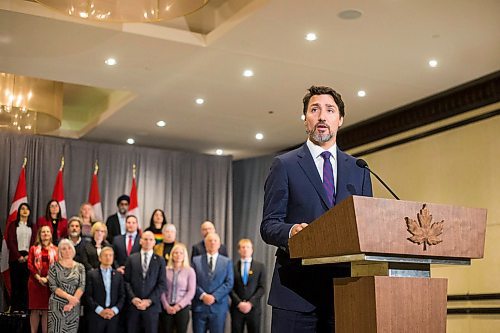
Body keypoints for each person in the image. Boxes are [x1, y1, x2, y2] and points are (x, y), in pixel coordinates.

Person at [260, 85, 373, 332]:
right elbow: (269, 225)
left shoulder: (359, 169)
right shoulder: (284, 165)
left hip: (346, 293)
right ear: (306, 120)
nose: (322, 116)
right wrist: (291, 232)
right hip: (295, 293)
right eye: (315, 109)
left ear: (340, 120)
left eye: (330, 110)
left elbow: (368, 226)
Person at [124, 231, 167, 333]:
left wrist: (149, 301)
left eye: (151, 239)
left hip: (152, 308)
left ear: (154, 242)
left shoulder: (160, 260)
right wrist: (133, 298)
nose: (148, 242)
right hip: (133, 307)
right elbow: (126, 281)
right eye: (145, 239)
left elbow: (162, 284)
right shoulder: (131, 258)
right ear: (140, 241)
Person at [191, 232, 233, 333]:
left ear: (219, 244)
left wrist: (214, 297)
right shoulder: (196, 261)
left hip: (218, 307)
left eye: (215, 241)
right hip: (199, 307)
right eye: (210, 241)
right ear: (205, 244)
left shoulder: (227, 262)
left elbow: (229, 283)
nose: (213, 243)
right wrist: (203, 295)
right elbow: (192, 282)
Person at [48, 238, 86, 333]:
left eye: (69, 248)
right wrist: (69, 297)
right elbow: (53, 287)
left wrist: (72, 303)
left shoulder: (80, 267)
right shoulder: (53, 266)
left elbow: (81, 286)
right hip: (57, 305)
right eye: (64, 249)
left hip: (74, 305)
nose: (67, 251)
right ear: (60, 251)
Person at [85, 246, 125, 333]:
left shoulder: (118, 275)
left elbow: (122, 295)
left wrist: (114, 311)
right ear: (100, 258)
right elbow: (88, 295)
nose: (108, 258)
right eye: (105, 255)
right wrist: (100, 310)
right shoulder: (92, 274)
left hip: (113, 316)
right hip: (96, 316)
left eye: (111, 255)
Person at [230, 239, 266, 333]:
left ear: (252, 250)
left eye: (248, 247)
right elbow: (230, 288)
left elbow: (262, 288)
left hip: (254, 309)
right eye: (243, 247)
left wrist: (250, 303)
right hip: (237, 309)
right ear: (239, 250)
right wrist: (239, 303)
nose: (245, 249)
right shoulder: (232, 267)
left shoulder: (260, 267)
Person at [6, 202, 36, 312]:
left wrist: (28, 256)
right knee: (15, 284)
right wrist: (18, 256)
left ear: (29, 212)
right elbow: (10, 241)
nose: (24, 211)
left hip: (28, 256)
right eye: (22, 208)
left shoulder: (32, 225)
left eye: (27, 209)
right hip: (15, 257)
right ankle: (14, 308)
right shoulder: (13, 225)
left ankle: (24, 308)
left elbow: (34, 242)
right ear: (19, 211)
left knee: (25, 285)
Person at [159, 243, 196, 333]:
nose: (178, 255)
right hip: (166, 308)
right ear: (172, 255)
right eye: (176, 253)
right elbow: (161, 289)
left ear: (184, 255)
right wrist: (166, 305)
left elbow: (191, 291)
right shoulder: (165, 270)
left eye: (181, 253)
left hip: (182, 308)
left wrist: (178, 306)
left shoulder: (189, 271)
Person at [28, 225, 58, 333]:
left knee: (46, 310)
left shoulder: (56, 249)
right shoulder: (33, 248)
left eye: (47, 232)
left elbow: (57, 266)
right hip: (34, 282)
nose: (45, 234)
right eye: (43, 232)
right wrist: (38, 278)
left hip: (49, 283)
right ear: (39, 235)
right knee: (35, 309)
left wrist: (47, 278)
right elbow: (30, 265)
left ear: (50, 235)